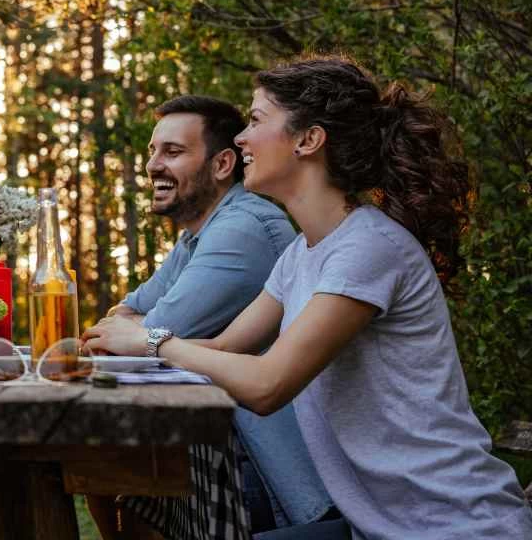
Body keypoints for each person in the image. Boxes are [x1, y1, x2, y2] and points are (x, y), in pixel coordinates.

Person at [84, 56, 532, 539]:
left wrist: (151, 340)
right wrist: (134, 338)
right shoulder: (301, 254)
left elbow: (267, 385)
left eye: (256, 121)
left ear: (308, 140)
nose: (240, 139)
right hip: (378, 527)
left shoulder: (368, 248)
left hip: (451, 525)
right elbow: (219, 351)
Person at [84, 96, 333, 537]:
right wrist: (132, 330)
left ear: (221, 165)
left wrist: (136, 333)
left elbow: (144, 340)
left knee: (115, 471)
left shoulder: (243, 228)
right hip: (227, 446)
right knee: (105, 470)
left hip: (274, 474)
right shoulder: (198, 235)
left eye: (173, 152)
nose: (153, 166)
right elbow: (125, 317)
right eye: (152, 152)